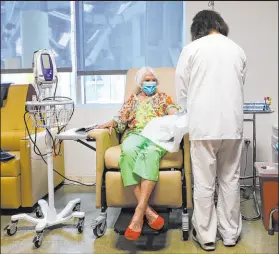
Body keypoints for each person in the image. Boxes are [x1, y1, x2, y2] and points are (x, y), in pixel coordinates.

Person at [175, 10, 247, 251]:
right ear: (219, 25)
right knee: (230, 180)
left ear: (198, 28)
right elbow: (239, 83)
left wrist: (186, 112)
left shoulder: (191, 50)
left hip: (203, 127)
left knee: (204, 183)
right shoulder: (237, 49)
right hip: (232, 126)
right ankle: (229, 234)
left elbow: (182, 91)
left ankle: (206, 237)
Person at [97, 67, 180, 240]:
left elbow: (173, 110)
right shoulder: (132, 101)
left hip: (156, 136)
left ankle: (138, 213)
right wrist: (111, 122)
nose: (150, 83)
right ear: (140, 83)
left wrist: (173, 113)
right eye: (146, 80)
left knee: (150, 154)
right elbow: (120, 120)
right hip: (135, 134)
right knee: (127, 152)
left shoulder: (163, 98)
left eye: (152, 80)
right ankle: (147, 211)